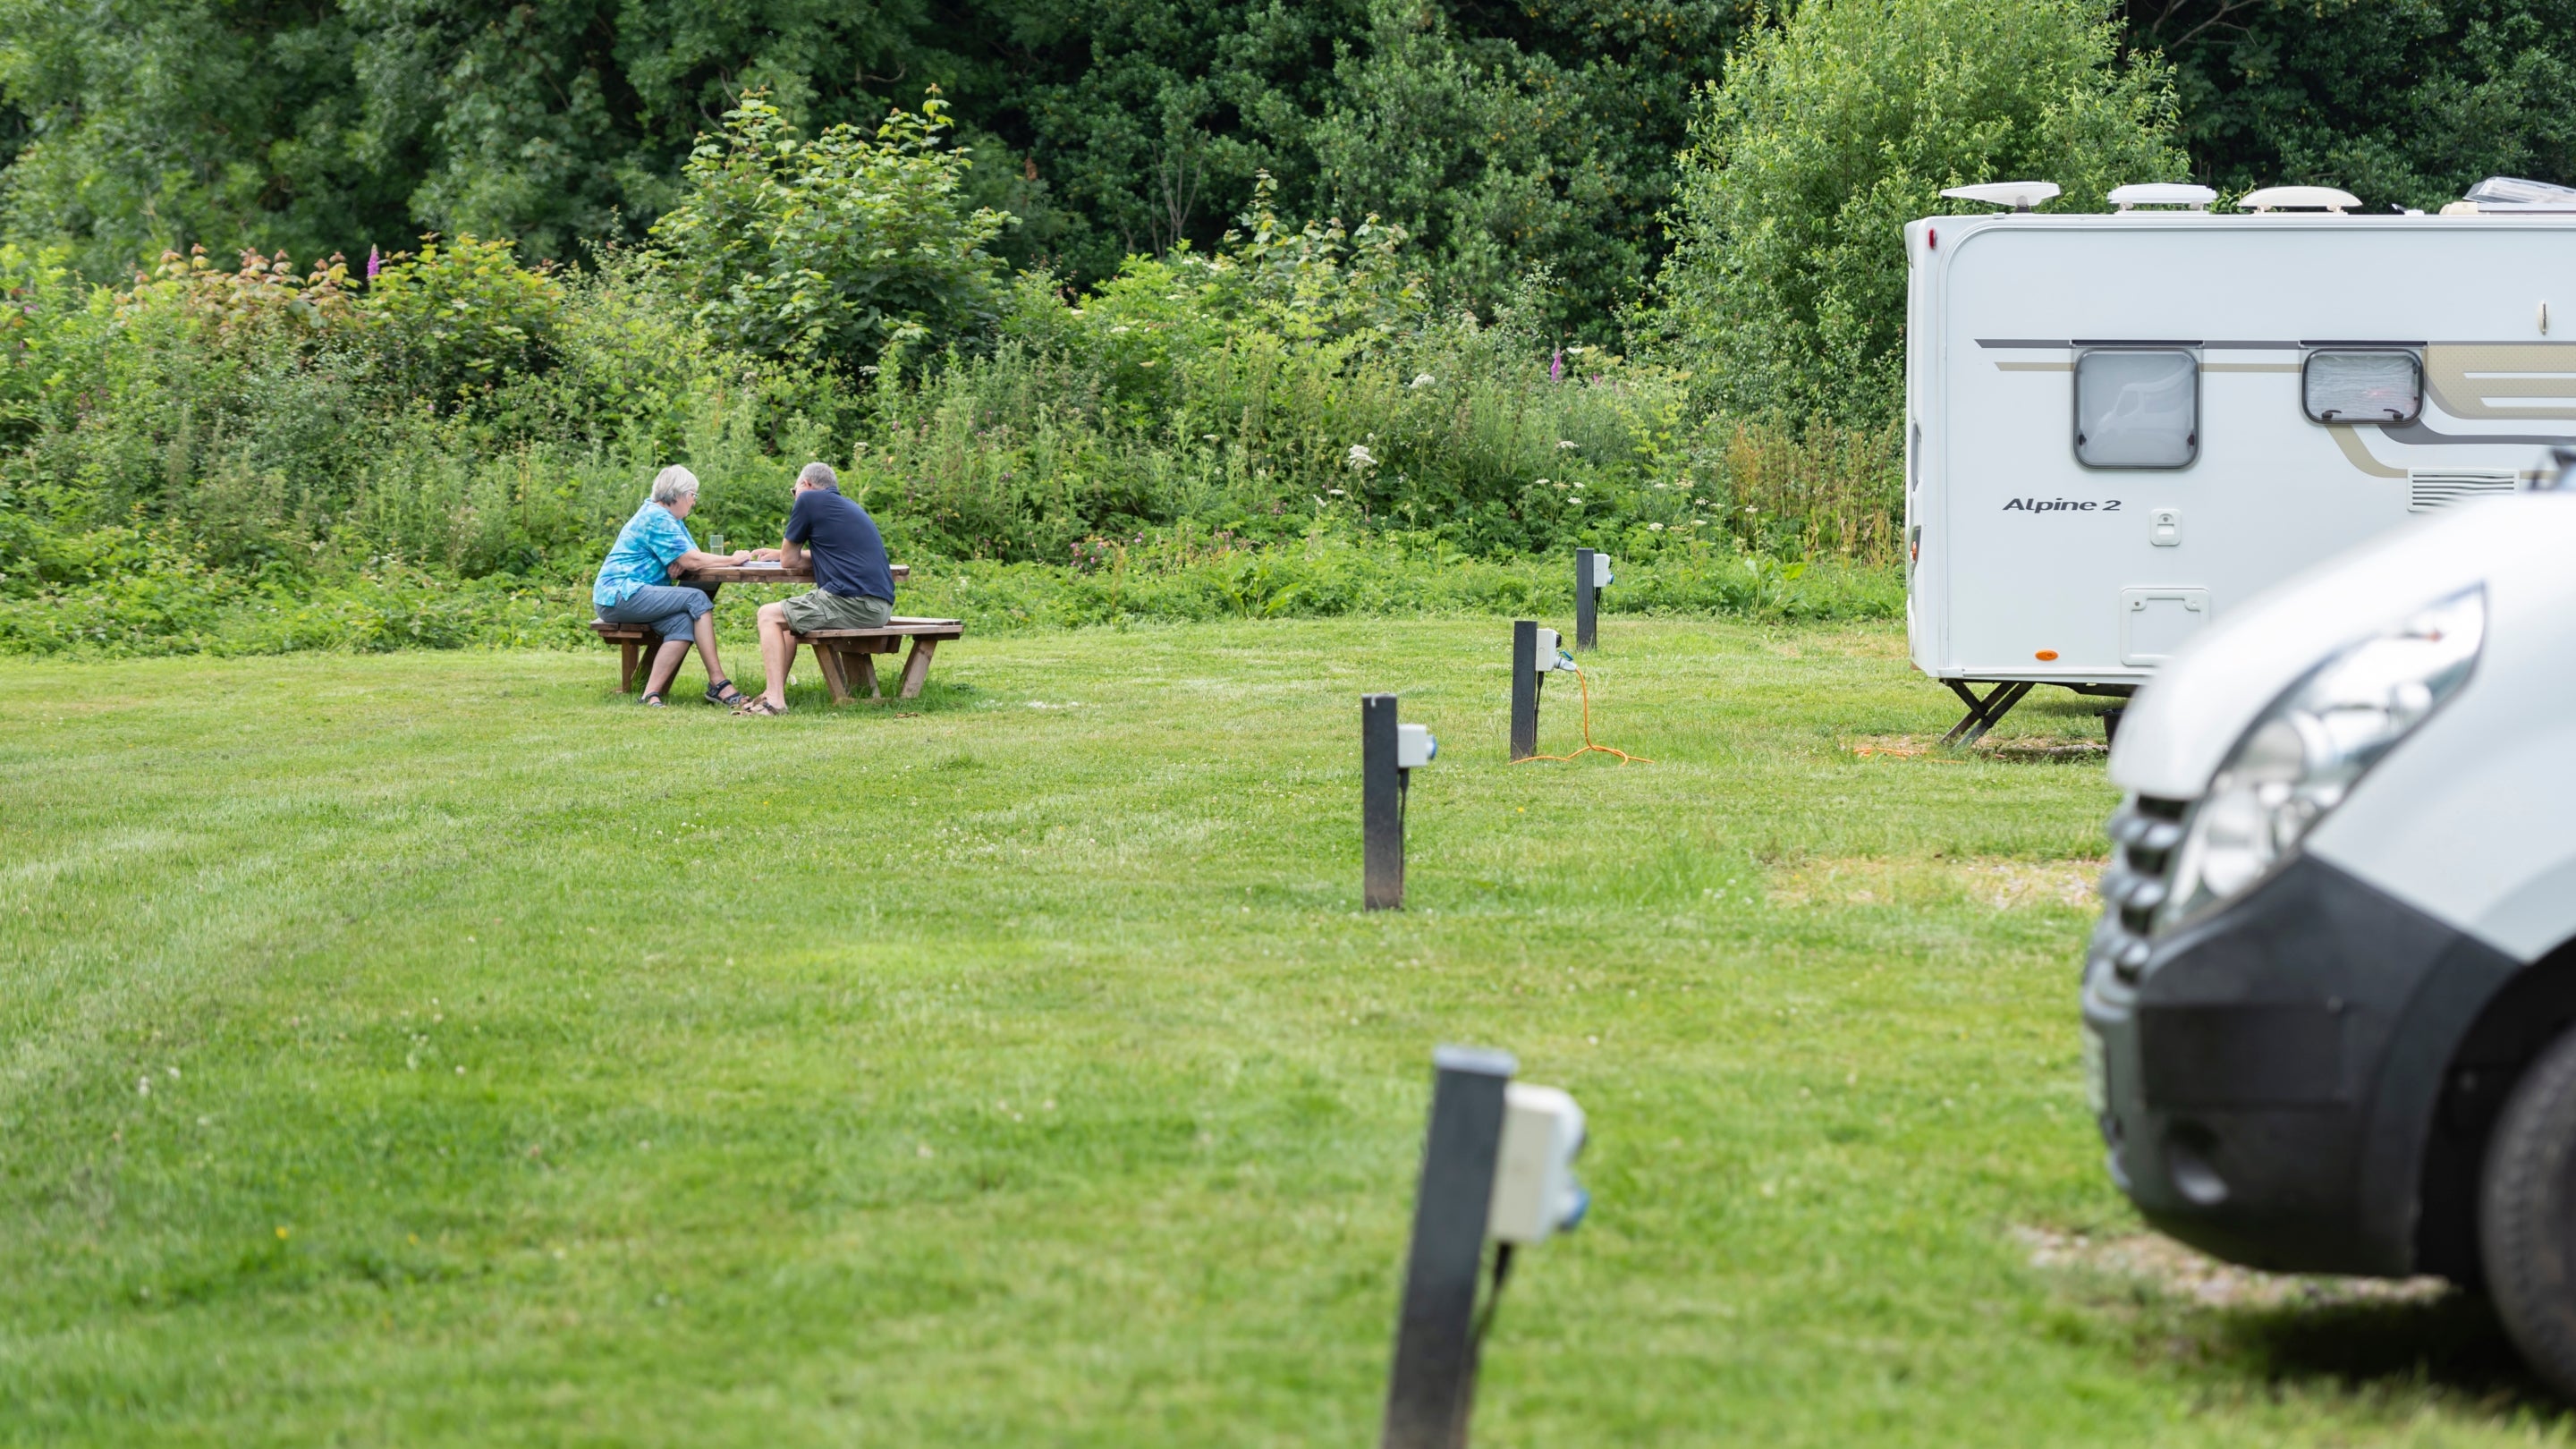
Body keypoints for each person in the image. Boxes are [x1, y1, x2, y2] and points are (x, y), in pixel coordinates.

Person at [737, 462, 896, 716]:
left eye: (794, 490)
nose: (795, 497)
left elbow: (790, 560)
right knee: (788, 623)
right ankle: (772, 693)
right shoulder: (847, 507)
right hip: (877, 605)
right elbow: (835, 554)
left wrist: (784, 554)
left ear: (806, 484)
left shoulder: (808, 500)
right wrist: (782, 553)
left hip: (853, 602)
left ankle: (775, 701)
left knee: (767, 615)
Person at [592, 465, 755, 708]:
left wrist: (683, 561)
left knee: (683, 623)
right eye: (693, 496)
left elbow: (691, 557)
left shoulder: (672, 520)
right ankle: (718, 683)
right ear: (679, 494)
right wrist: (732, 559)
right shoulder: (656, 516)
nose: (694, 502)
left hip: (640, 595)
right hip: (620, 594)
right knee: (697, 599)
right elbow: (692, 560)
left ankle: (650, 694)